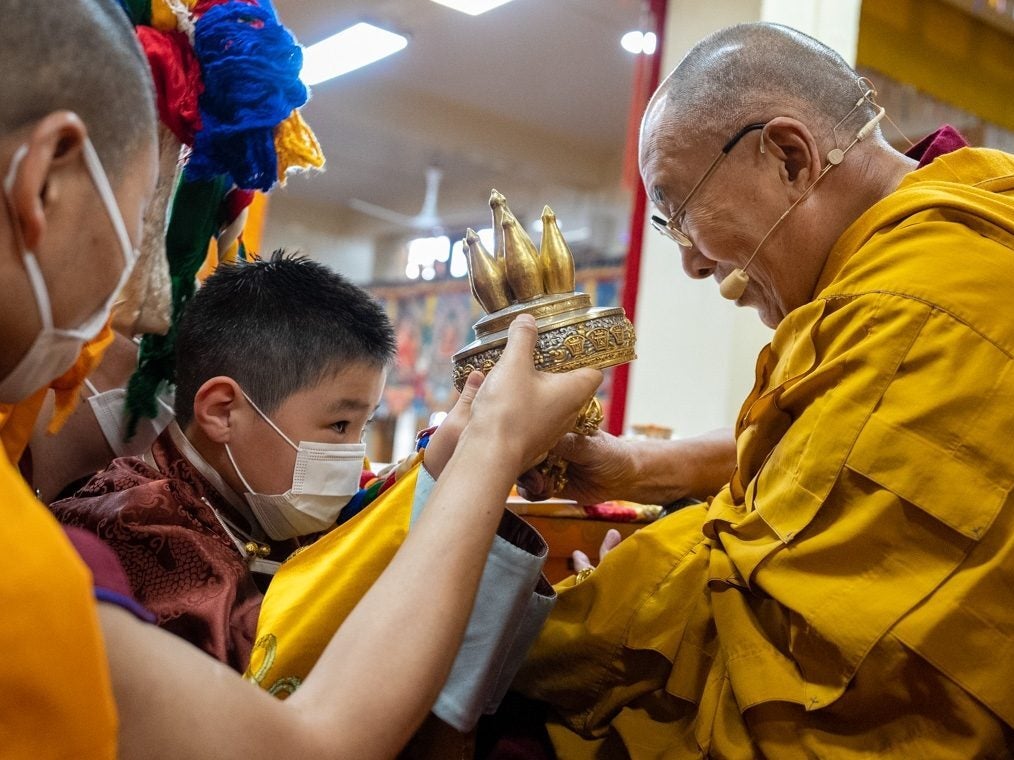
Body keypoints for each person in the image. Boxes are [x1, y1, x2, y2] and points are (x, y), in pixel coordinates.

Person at [0, 2, 602, 758]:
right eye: (137, 230)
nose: (145, 299)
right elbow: (303, 746)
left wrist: (455, 453)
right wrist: (495, 446)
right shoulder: (111, 542)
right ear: (44, 181)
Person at [513, 22, 1014, 759]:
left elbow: (798, 639)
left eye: (683, 214)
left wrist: (572, 617)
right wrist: (638, 466)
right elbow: (821, 445)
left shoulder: (920, 306)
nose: (689, 262)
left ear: (789, 157)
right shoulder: (965, 212)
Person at [52, 252, 406, 670]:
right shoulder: (138, 527)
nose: (354, 453)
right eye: (340, 424)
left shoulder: (258, 503)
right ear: (222, 412)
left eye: (363, 427)